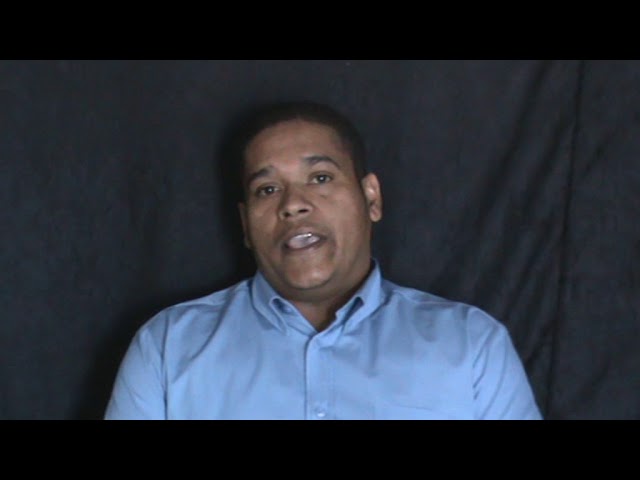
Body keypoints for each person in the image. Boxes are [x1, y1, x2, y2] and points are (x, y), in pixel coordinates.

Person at [105, 101, 542, 420]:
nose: (293, 204)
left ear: (371, 198)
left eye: (320, 178)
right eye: (267, 189)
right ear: (245, 224)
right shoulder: (168, 348)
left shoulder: (471, 346)